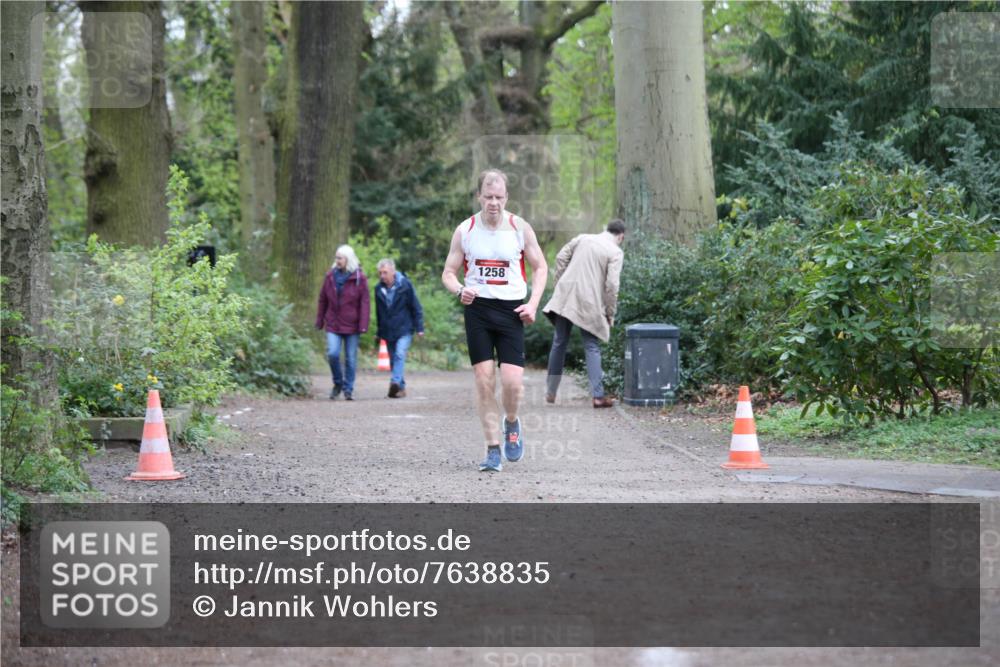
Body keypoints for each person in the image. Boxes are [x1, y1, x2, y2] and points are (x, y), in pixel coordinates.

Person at [442, 169, 548, 472]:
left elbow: (540, 268)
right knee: (483, 379)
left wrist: (533, 304)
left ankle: (511, 423)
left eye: (499, 197)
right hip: (478, 309)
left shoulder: (519, 228)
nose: (493, 203)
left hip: (512, 311)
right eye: (488, 197)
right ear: (479, 197)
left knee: (513, 384)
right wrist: (460, 289)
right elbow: (448, 272)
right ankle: (492, 449)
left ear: (507, 198)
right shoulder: (466, 230)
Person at [542, 219, 625, 408]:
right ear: (621, 236)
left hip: (566, 294)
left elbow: (560, 258)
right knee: (591, 345)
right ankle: (598, 396)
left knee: (559, 341)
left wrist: (560, 285)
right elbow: (612, 285)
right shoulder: (615, 251)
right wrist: (610, 312)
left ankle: (551, 392)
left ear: (606, 229)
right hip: (590, 301)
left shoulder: (583, 238)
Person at [316, 245, 370, 401]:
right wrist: (320, 320)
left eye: (340, 258)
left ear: (348, 259)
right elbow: (322, 299)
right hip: (333, 323)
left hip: (352, 325)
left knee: (350, 359)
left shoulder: (360, 278)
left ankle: (348, 389)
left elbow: (365, 303)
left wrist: (363, 324)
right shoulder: (330, 276)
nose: (337, 261)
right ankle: (338, 383)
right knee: (332, 354)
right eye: (336, 258)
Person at [374, 258, 425, 398]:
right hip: (388, 330)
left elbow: (416, 307)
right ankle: (401, 388)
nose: (382, 276)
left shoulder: (405, 285)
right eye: (380, 273)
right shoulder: (378, 289)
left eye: (385, 272)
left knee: (399, 354)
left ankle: (394, 382)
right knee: (392, 359)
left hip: (404, 328)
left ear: (393, 271)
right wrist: (378, 332)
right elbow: (379, 313)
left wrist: (419, 327)